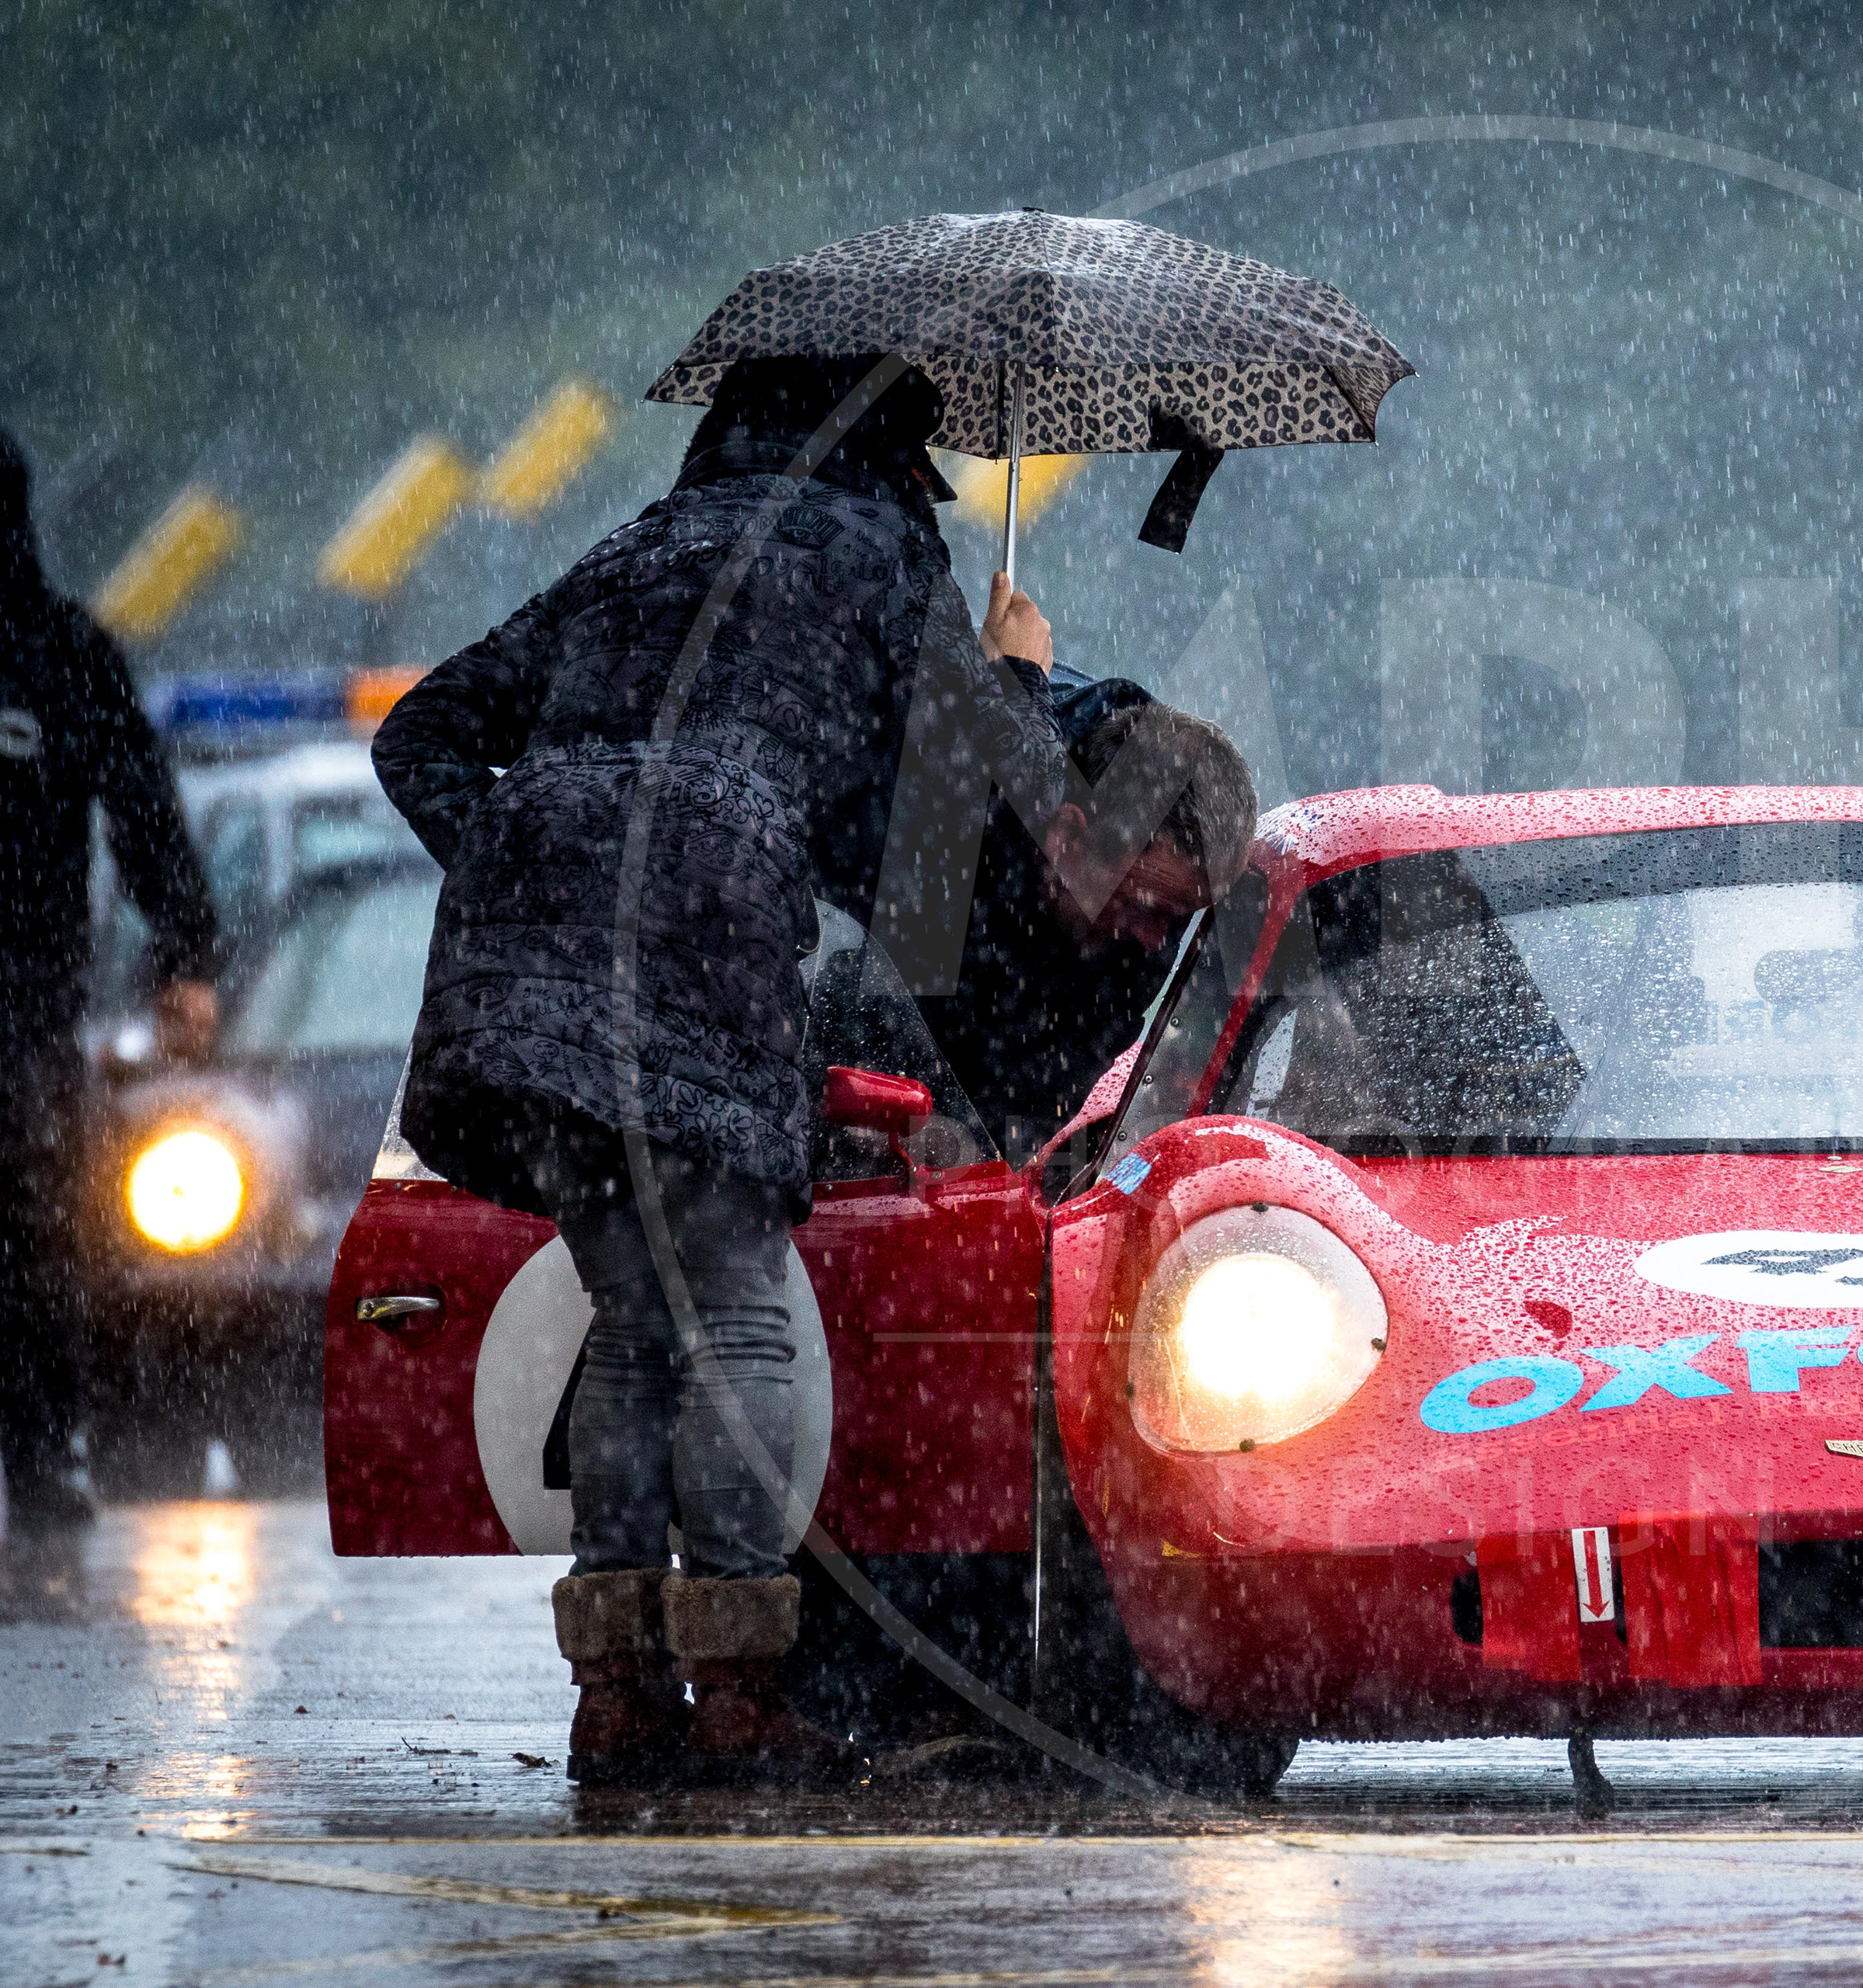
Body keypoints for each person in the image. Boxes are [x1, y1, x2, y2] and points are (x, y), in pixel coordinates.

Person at [373, 356, 1061, 1788]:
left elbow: (419, 733)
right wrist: (1017, 669)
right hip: (703, 943)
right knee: (737, 1309)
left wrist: (518, 865)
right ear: (890, 450)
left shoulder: (640, 543)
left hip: (525, 985)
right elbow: (992, 786)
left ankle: (618, 1695)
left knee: (635, 1318)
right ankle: (741, 1690)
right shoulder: (877, 545)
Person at [0, 431, 219, 1535]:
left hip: (28, 1010)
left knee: (36, 1234)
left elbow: (143, 810)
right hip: (34, 1013)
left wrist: (185, 952)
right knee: (35, 1232)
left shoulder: (61, 654)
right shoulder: (65, 650)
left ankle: (43, 1454)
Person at [919, 673, 1259, 1159]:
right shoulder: (945, 794)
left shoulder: (1158, 888)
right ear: (1067, 839)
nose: (1155, 941)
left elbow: (1047, 1093)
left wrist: (977, 1145)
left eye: (1182, 916)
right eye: (1145, 907)